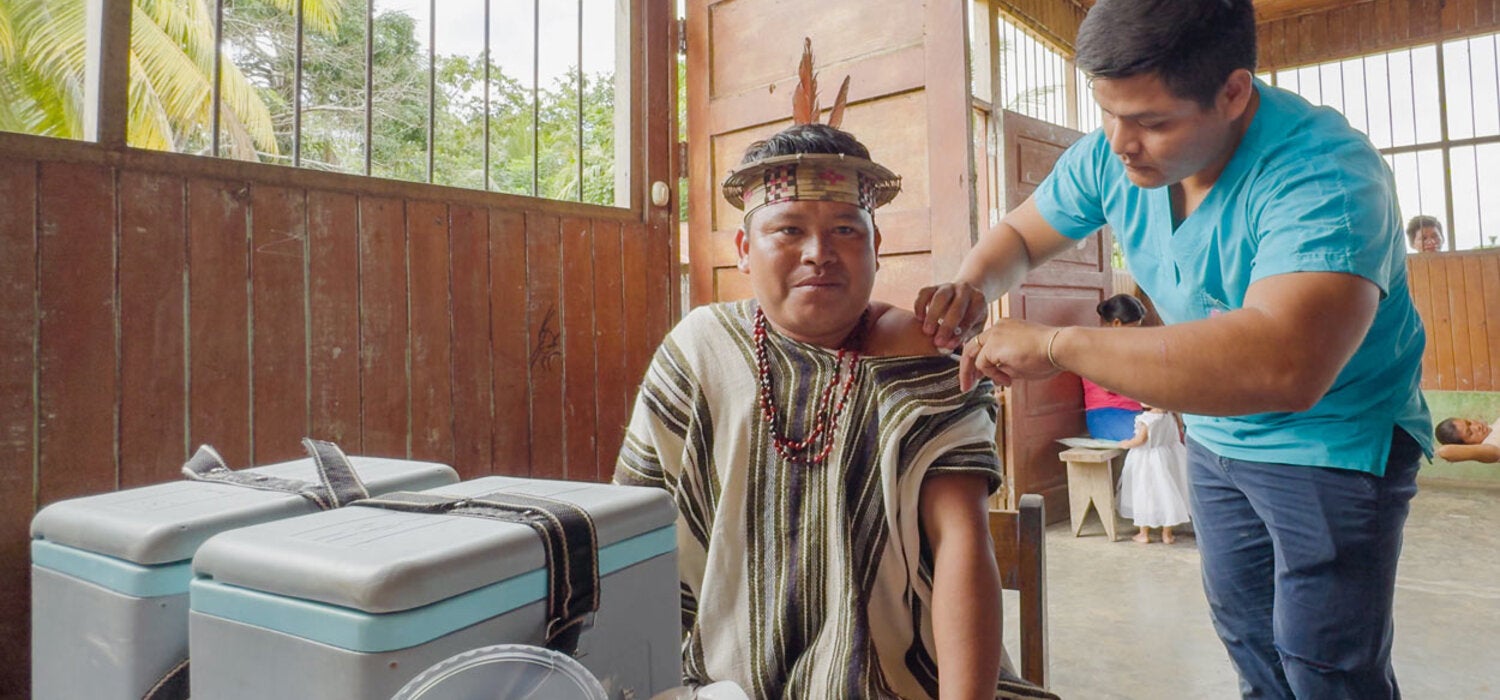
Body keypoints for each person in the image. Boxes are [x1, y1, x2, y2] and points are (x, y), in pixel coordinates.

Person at [913, 1, 1432, 698]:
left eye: (1153, 123)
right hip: (1216, 433)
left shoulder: (1326, 175)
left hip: (1329, 441)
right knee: (1247, 632)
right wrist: (972, 283)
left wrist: (1058, 344)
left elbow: (1280, 366)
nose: (1121, 142)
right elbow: (1023, 235)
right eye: (1107, 112)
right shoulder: (1114, 150)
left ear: (1233, 92)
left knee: (1324, 658)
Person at [615, 114, 1047, 698]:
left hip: (900, 679)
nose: (819, 253)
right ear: (745, 249)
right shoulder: (699, 349)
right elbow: (638, 527)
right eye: (788, 230)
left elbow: (959, 544)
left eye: (846, 230)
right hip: (721, 682)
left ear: (877, 247)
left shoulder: (925, 364)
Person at [1115, 405, 1191, 544]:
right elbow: (1179, 430)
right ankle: (1167, 535)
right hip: (1167, 457)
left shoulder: (1146, 419)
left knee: (1144, 494)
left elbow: (1141, 440)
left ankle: (1143, 533)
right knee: (1167, 494)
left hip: (1146, 462)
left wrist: (1126, 443)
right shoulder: (1172, 415)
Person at [1081, 294, 1146, 440]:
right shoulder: (1093, 346)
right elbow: (1108, 385)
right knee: (1146, 439)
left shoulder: (1125, 347)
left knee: (1170, 433)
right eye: (1133, 328)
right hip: (1107, 414)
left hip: (1135, 412)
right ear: (1116, 323)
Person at [1434, 416, 1500, 463]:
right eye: (1470, 433)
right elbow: (1444, 451)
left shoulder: (1494, 426)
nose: (1477, 427)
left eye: (1469, 423)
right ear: (1467, 445)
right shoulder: (1491, 447)